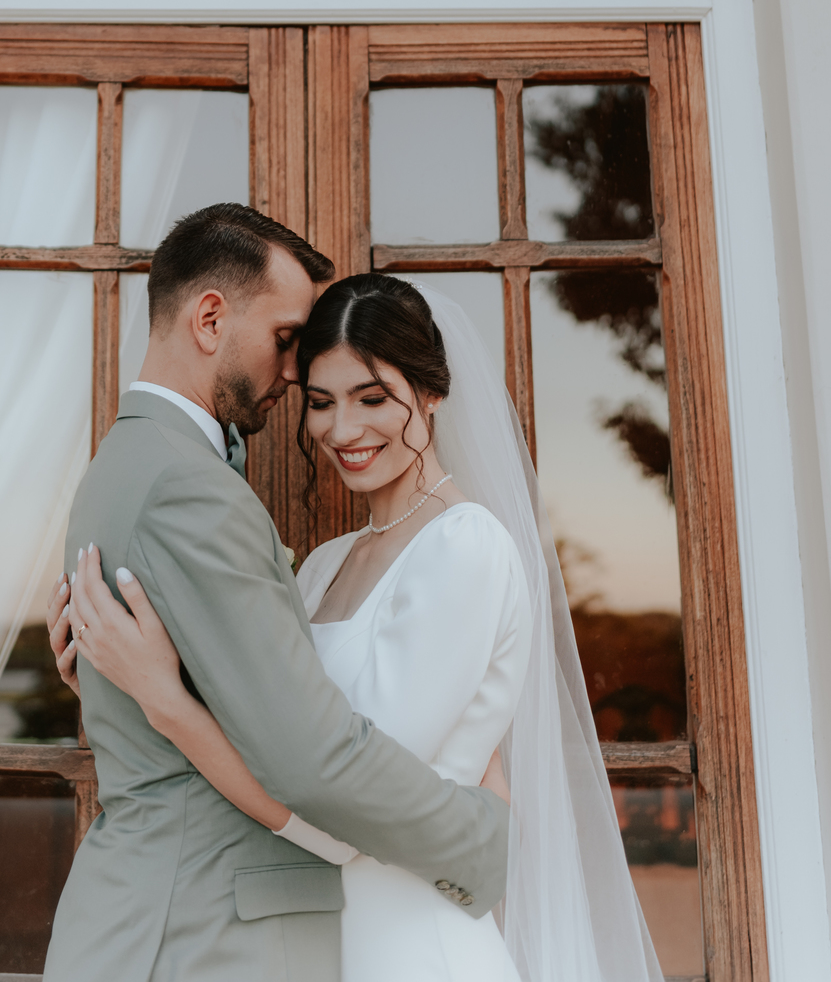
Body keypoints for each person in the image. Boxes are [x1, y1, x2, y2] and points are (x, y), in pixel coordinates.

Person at [62, 272, 664, 982]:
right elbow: (266, 726)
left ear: (433, 392)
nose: (343, 430)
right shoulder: (320, 567)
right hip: (313, 944)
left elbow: (343, 808)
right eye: (321, 403)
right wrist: (108, 668)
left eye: (372, 398)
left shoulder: (465, 547)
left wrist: (164, 701)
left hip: (414, 948)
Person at [41, 207, 512, 982]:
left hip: (260, 923)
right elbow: (313, 762)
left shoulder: (131, 463)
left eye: (369, 396)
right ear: (210, 317)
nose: (296, 379)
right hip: (198, 928)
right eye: (287, 342)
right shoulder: (191, 491)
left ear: (427, 395)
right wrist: (481, 841)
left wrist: (147, 697)